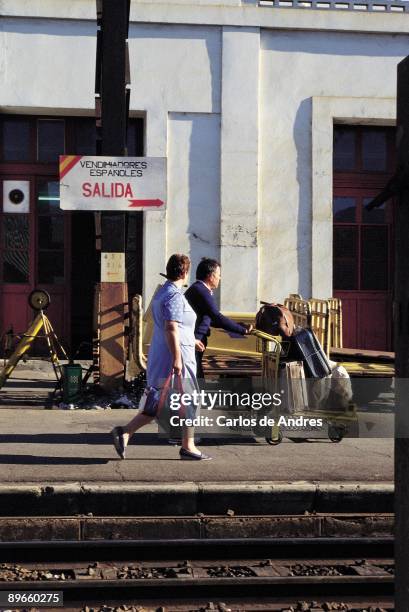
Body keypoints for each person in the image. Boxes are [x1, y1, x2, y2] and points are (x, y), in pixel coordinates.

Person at [111, 253, 211, 461]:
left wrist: (191, 340)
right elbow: (171, 327)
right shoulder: (174, 295)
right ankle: (188, 445)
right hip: (174, 356)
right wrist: (177, 358)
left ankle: (126, 433)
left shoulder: (164, 292)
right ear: (185, 272)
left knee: (160, 401)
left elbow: (174, 325)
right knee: (188, 399)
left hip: (165, 351)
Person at [184, 258, 253, 379]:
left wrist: (239, 325)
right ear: (211, 276)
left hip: (197, 341)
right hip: (194, 341)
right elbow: (216, 316)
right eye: (218, 275)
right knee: (195, 377)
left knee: (197, 374)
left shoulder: (200, 290)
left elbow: (213, 319)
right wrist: (242, 330)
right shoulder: (201, 291)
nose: (219, 278)